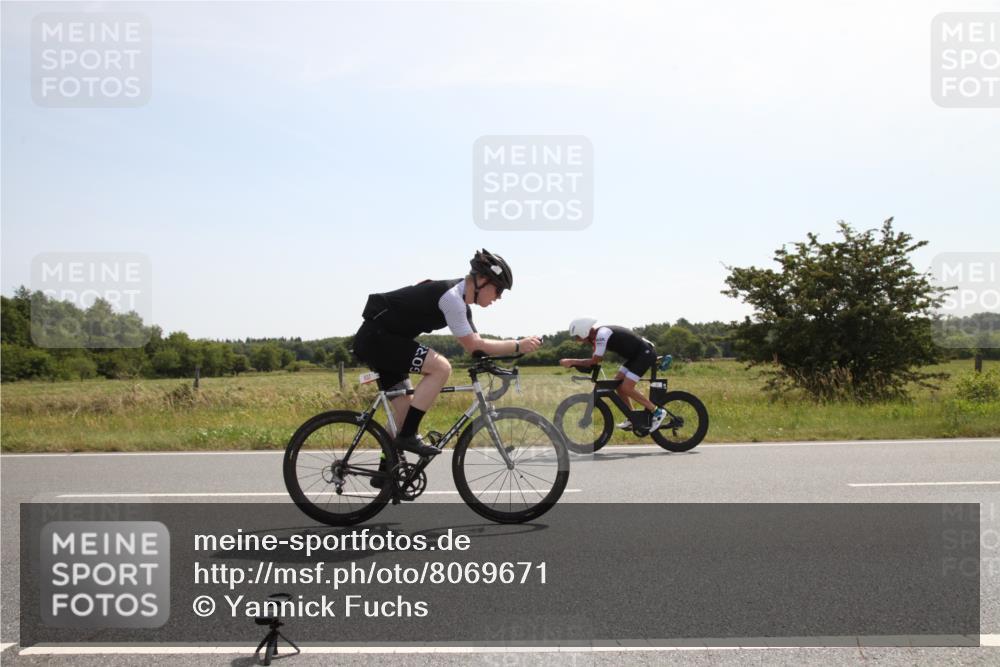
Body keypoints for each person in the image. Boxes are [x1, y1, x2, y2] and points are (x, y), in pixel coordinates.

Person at [352, 249, 542, 461]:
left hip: (386, 341)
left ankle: (386, 475)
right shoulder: (452, 298)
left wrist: (496, 365)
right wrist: (518, 345)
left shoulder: (461, 303)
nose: (498, 297)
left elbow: (478, 350)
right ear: (481, 280)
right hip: (377, 339)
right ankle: (407, 437)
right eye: (498, 290)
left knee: (404, 414)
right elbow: (474, 345)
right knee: (441, 367)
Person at [559, 318, 666, 431]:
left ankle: (657, 412)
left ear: (583, 332)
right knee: (618, 384)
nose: (577, 340)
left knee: (626, 387)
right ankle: (632, 417)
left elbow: (595, 360)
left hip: (644, 354)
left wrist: (572, 361)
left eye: (577, 337)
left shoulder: (602, 335)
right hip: (636, 356)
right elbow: (594, 360)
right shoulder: (596, 337)